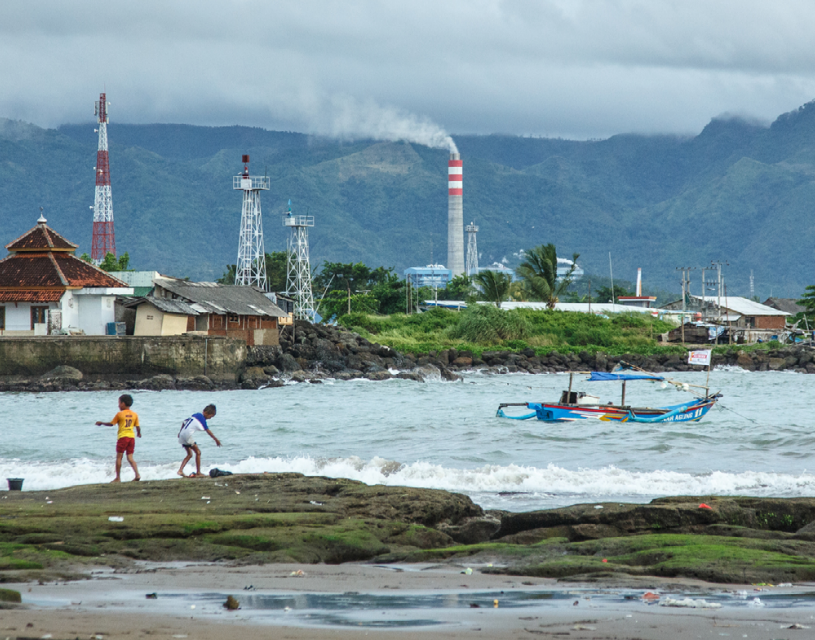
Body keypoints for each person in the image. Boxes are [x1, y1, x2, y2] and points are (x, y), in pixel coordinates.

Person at [96, 394, 141, 482]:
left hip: (123, 437)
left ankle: (118, 478)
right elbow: (137, 427)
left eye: (119, 403)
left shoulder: (119, 414)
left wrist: (101, 423)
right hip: (131, 437)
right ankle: (137, 474)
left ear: (123, 404)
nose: (118, 405)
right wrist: (139, 433)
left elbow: (111, 424)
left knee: (119, 457)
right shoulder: (134, 414)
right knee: (130, 457)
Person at [177, 404, 220, 478]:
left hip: (182, 435)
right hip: (187, 436)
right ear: (206, 413)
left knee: (190, 454)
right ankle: (198, 472)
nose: (210, 418)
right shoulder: (202, 419)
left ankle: (180, 470)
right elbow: (208, 431)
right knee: (198, 452)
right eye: (210, 416)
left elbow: (184, 422)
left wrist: (180, 432)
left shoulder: (196, 415)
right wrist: (216, 440)